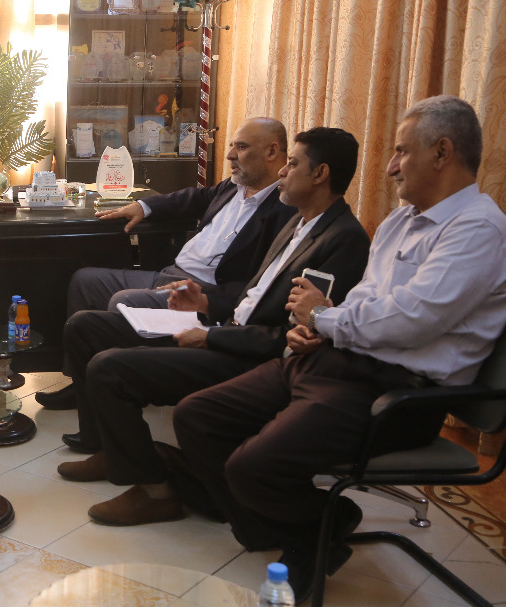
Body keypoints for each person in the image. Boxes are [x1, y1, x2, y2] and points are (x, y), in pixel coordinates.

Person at [172, 96, 506, 600]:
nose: (392, 166)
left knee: (251, 468)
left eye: (402, 151)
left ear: (442, 152)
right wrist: (319, 329)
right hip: (337, 364)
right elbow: (366, 301)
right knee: (197, 417)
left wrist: (323, 318)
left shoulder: (478, 231)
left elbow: (411, 319)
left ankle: (312, 531)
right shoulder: (401, 222)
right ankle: (314, 525)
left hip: (399, 394)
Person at [56, 127, 370, 514]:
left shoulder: (342, 239)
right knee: (85, 327)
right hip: (223, 326)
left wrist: (210, 337)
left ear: (320, 174)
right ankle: (109, 449)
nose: (283, 173)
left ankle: (156, 493)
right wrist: (205, 303)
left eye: (292, 164)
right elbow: (255, 293)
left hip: (245, 354)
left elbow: (292, 338)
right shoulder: (300, 223)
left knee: (110, 368)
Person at [37, 117, 297, 410]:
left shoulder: (285, 209)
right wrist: (144, 206)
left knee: (124, 301)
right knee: (85, 280)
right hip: (170, 273)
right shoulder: (235, 187)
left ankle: (120, 385)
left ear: (272, 151)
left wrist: (208, 299)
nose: (230, 155)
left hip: (200, 291)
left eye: (242, 147)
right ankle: (81, 382)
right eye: (232, 146)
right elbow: (196, 197)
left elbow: (260, 282)